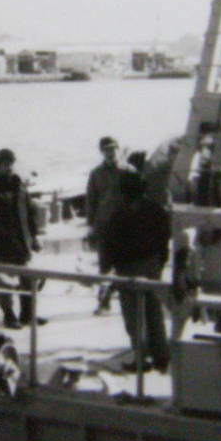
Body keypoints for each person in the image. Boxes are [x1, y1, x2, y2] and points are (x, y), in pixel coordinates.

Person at [98, 171, 171, 373]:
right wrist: (160, 262)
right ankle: (161, 355)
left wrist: (106, 270)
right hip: (152, 265)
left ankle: (141, 358)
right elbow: (165, 237)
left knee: (134, 316)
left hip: (129, 269)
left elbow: (110, 245)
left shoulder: (119, 214)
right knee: (154, 310)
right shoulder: (156, 210)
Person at [0, 148, 43, 328]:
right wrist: (2, 235)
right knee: (5, 281)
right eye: (4, 164)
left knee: (27, 278)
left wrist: (34, 236)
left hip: (23, 241)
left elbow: (29, 212)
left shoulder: (18, 184)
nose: (8, 168)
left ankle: (28, 315)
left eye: (10, 164)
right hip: (3, 243)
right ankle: (9, 314)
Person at [86, 136, 129, 313]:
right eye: (107, 150)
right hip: (103, 226)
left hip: (125, 227)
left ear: (118, 149)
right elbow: (91, 201)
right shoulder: (95, 174)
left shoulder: (129, 171)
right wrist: (91, 227)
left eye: (113, 149)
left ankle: (125, 301)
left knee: (125, 266)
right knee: (104, 266)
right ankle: (104, 301)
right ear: (102, 152)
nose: (111, 152)